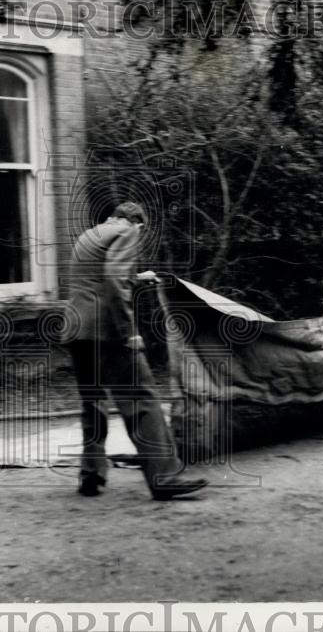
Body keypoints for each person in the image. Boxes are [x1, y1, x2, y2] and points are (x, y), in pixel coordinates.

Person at [62, 202, 208, 500]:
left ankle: (91, 475)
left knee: (93, 401)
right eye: (140, 230)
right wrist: (128, 333)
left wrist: (139, 277)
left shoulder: (90, 235)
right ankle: (164, 476)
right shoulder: (126, 232)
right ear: (135, 224)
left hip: (77, 330)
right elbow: (114, 281)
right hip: (107, 331)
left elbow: (98, 277)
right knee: (142, 399)